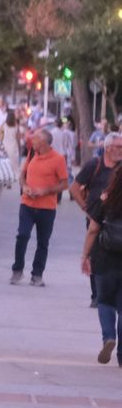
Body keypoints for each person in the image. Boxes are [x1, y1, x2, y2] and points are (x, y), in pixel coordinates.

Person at [72, 132, 122, 308]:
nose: (121, 150)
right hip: (96, 218)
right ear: (107, 148)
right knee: (95, 255)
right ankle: (97, 294)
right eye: (119, 147)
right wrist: (86, 209)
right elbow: (74, 188)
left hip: (117, 221)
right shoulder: (95, 164)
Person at [13, 129, 68, 286]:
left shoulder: (58, 159)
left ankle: (37, 274)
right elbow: (22, 176)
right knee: (22, 236)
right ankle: (17, 270)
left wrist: (45, 191)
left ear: (44, 142)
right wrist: (25, 187)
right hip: (27, 204)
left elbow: (64, 184)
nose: (32, 140)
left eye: (35, 138)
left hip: (46, 208)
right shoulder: (31, 153)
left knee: (42, 242)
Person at [80, 171, 122, 366]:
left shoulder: (105, 201)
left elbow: (93, 229)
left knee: (104, 301)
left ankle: (108, 338)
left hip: (105, 257)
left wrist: (85, 255)